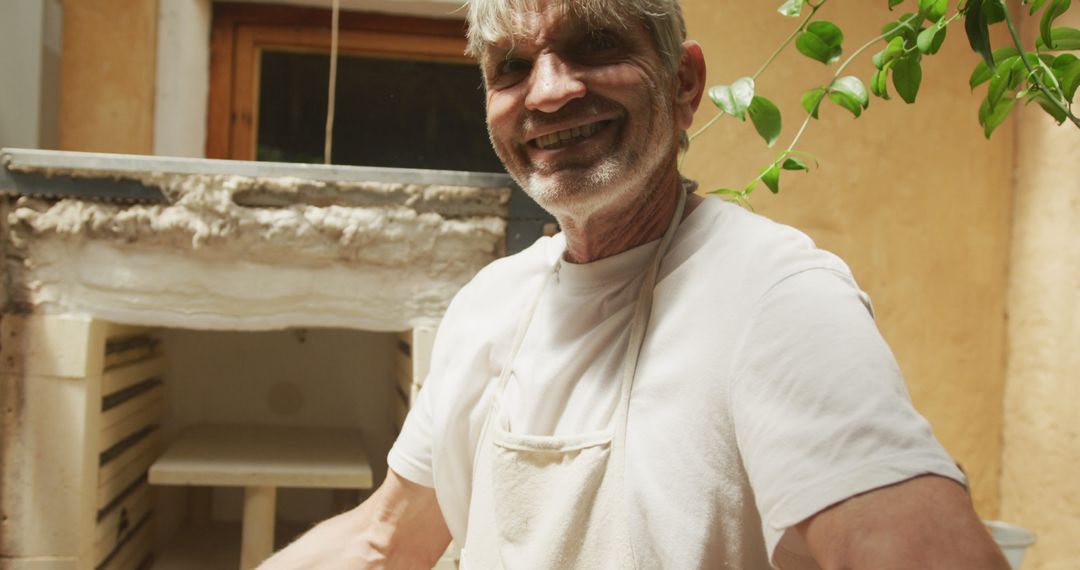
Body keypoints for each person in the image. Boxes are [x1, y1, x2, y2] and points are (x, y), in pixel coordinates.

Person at [261, 1, 1010, 568]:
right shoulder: (488, 306)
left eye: (596, 45)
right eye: (511, 67)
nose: (549, 93)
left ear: (684, 84)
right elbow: (384, 537)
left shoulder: (775, 294)